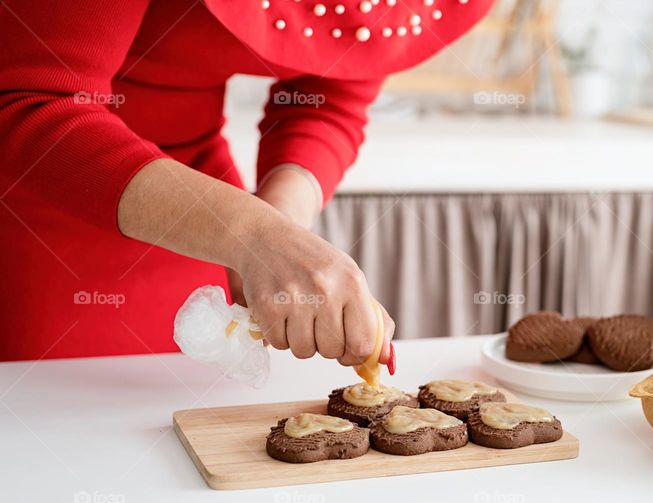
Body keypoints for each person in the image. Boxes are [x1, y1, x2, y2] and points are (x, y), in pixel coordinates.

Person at [0, 0, 493, 364]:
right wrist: (252, 235)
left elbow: (328, 95)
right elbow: (36, 105)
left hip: (203, 209)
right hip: (52, 190)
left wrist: (281, 230)